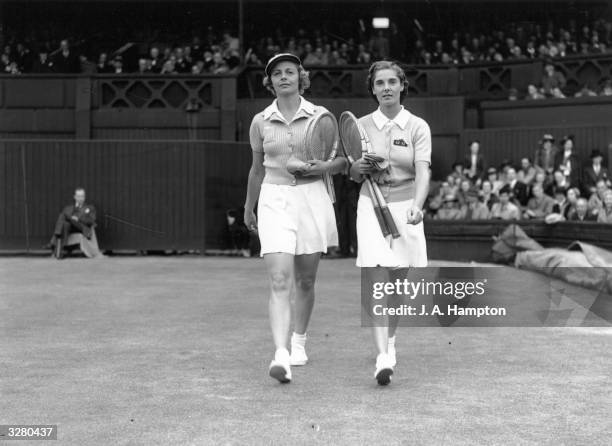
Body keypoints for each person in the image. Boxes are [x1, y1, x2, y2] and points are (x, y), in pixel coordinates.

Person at [244, 53, 347, 384]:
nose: (283, 77)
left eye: (290, 72)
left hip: (311, 198)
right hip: (274, 200)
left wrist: (321, 168)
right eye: (277, 73)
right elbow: (257, 169)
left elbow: (342, 161)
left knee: (305, 280)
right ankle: (280, 353)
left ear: (300, 77)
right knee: (278, 279)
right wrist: (249, 206)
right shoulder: (260, 121)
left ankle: (299, 342)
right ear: (270, 81)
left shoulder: (321, 116)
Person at [350, 60, 431, 385]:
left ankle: (391, 341)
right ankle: (383, 355)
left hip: (405, 208)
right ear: (373, 89)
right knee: (376, 277)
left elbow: (423, 170)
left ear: (401, 86)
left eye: (391, 82)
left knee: (397, 284)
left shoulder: (417, 126)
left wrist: (417, 206)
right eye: (379, 83)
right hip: (370, 205)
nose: (386, 87)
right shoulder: (359, 126)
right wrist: (360, 166)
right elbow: (353, 174)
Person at [47, 187, 103, 259]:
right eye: (79, 196)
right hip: (69, 229)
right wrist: (71, 219)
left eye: (82, 196)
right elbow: (64, 221)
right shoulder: (68, 208)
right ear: (75, 197)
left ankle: (55, 238)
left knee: (64, 216)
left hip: (82, 228)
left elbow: (91, 220)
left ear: (84, 197)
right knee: (65, 224)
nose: (80, 198)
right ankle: (59, 252)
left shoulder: (90, 208)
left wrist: (78, 219)